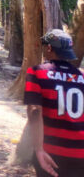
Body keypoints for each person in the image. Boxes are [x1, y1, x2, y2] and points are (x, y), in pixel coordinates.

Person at [24, 29, 84, 177]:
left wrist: (38, 149)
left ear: (50, 48)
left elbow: (35, 111)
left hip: (50, 153)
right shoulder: (83, 77)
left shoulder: (37, 73)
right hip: (80, 155)